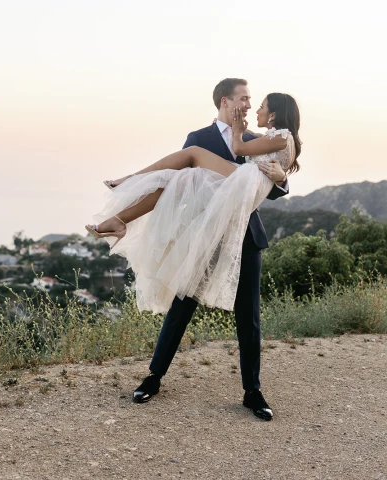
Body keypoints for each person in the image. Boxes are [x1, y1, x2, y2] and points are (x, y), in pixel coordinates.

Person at [86, 79, 301, 420]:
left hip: (245, 234)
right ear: (225, 101)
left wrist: (282, 178)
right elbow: (176, 188)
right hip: (204, 234)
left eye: (252, 100)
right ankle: (153, 378)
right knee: (181, 307)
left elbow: (273, 183)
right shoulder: (199, 138)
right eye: (244, 98)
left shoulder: (255, 138)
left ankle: (253, 391)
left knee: (250, 317)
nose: (249, 104)